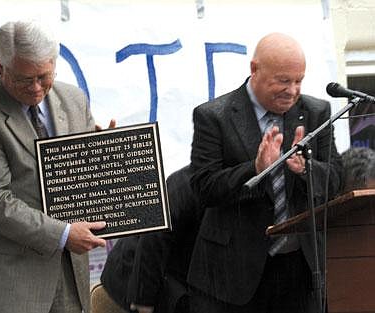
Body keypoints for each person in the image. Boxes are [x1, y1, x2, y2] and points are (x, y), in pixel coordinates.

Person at [0, 20, 114, 313]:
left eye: (44, 76)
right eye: (24, 79)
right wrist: (64, 233)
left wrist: (104, 152)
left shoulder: (74, 99)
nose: (36, 87)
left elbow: (79, 172)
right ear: (1, 67)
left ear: (53, 63)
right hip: (13, 278)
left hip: (70, 272)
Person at [187, 32, 343, 313]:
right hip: (235, 274)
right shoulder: (214, 116)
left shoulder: (316, 112)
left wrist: (307, 170)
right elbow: (203, 188)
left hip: (300, 267)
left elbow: (336, 180)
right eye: (283, 80)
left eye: (299, 80)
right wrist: (255, 170)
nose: (292, 90)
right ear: (254, 69)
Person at [100, 165, 202, 313]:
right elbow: (153, 238)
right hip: (133, 273)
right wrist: (143, 300)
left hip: (174, 271)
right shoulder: (187, 182)